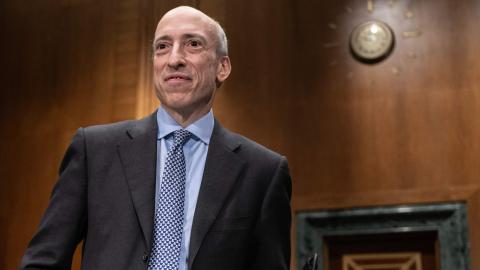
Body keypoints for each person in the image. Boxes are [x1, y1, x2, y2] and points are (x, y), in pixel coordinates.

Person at [20, 6, 292, 270]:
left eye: (193, 44)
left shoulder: (263, 172)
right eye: (162, 46)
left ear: (222, 67)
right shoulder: (94, 151)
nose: (174, 58)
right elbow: (44, 261)